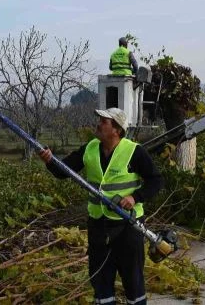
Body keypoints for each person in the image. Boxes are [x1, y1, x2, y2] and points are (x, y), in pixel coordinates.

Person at [38, 107, 162, 305]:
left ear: (116, 129)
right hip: (98, 227)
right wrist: (49, 161)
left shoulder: (134, 151)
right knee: (101, 282)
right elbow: (64, 171)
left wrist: (135, 197)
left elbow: (156, 181)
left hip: (128, 227)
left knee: (133, 282)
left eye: (104, 121)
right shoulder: (89, 148)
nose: (98, 124)